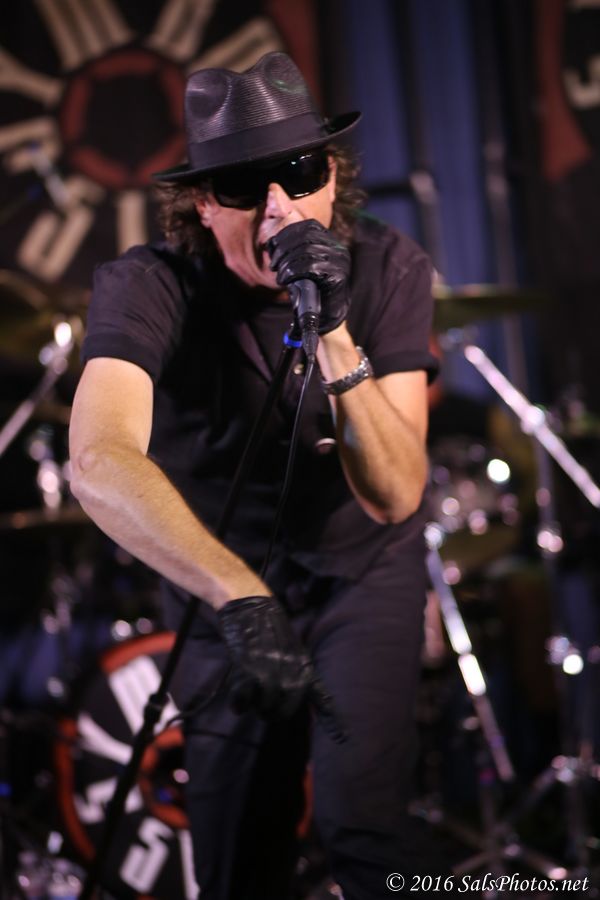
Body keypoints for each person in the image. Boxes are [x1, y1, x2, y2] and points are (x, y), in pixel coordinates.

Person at [69, 51, 439, 900]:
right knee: (238, 850)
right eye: (242, 186)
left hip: (360, 573)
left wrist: (334, 330)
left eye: (299, 173)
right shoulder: (150, 286)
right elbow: (96, 460)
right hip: (223, 582)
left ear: (330, 177)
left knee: (363, 822)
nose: (279, 207)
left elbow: (395, 494)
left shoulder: (389, 268)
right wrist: (238, 594)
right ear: (203, 202)